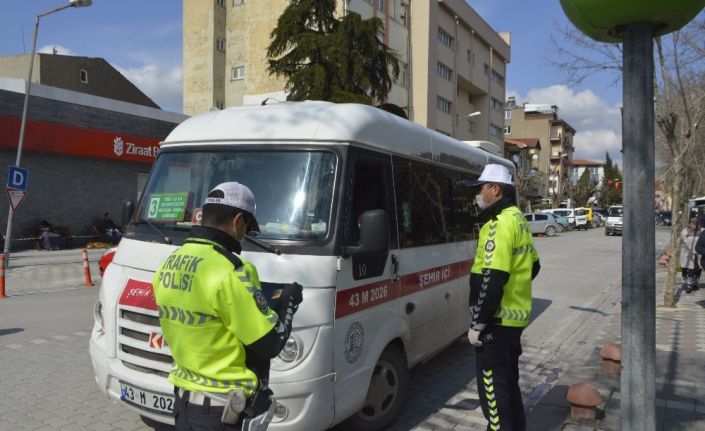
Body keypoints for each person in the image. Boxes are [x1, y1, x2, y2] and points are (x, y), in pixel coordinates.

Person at [152, 182, 303, 431]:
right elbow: (270, 343)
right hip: (221, 412)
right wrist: (288, 302)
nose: (245, 234)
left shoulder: (171, 262)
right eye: (247, 227)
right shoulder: (231, 271)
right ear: (238, 221)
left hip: (184, 404)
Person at [467, 164, 540, 431]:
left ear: (495, 189)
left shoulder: (497, 224)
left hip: (495, 326)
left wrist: (478, 324)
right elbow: (534, 266)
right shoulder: (518, 218)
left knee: (494, 398)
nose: (478, 194)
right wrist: (514, 290)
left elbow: (492, 278)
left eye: (481, 188)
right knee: (508, 386)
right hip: (514, 321)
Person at [678, 217, 701, 293]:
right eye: (691, 223)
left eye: (694, 224)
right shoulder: (685, 231)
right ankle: (688, 285)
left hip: (697, 255)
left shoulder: (700, 231)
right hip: (687, 255)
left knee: (697, 269)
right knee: (687, 269)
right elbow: (680, 240)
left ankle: (694, 283)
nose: (692, 225)